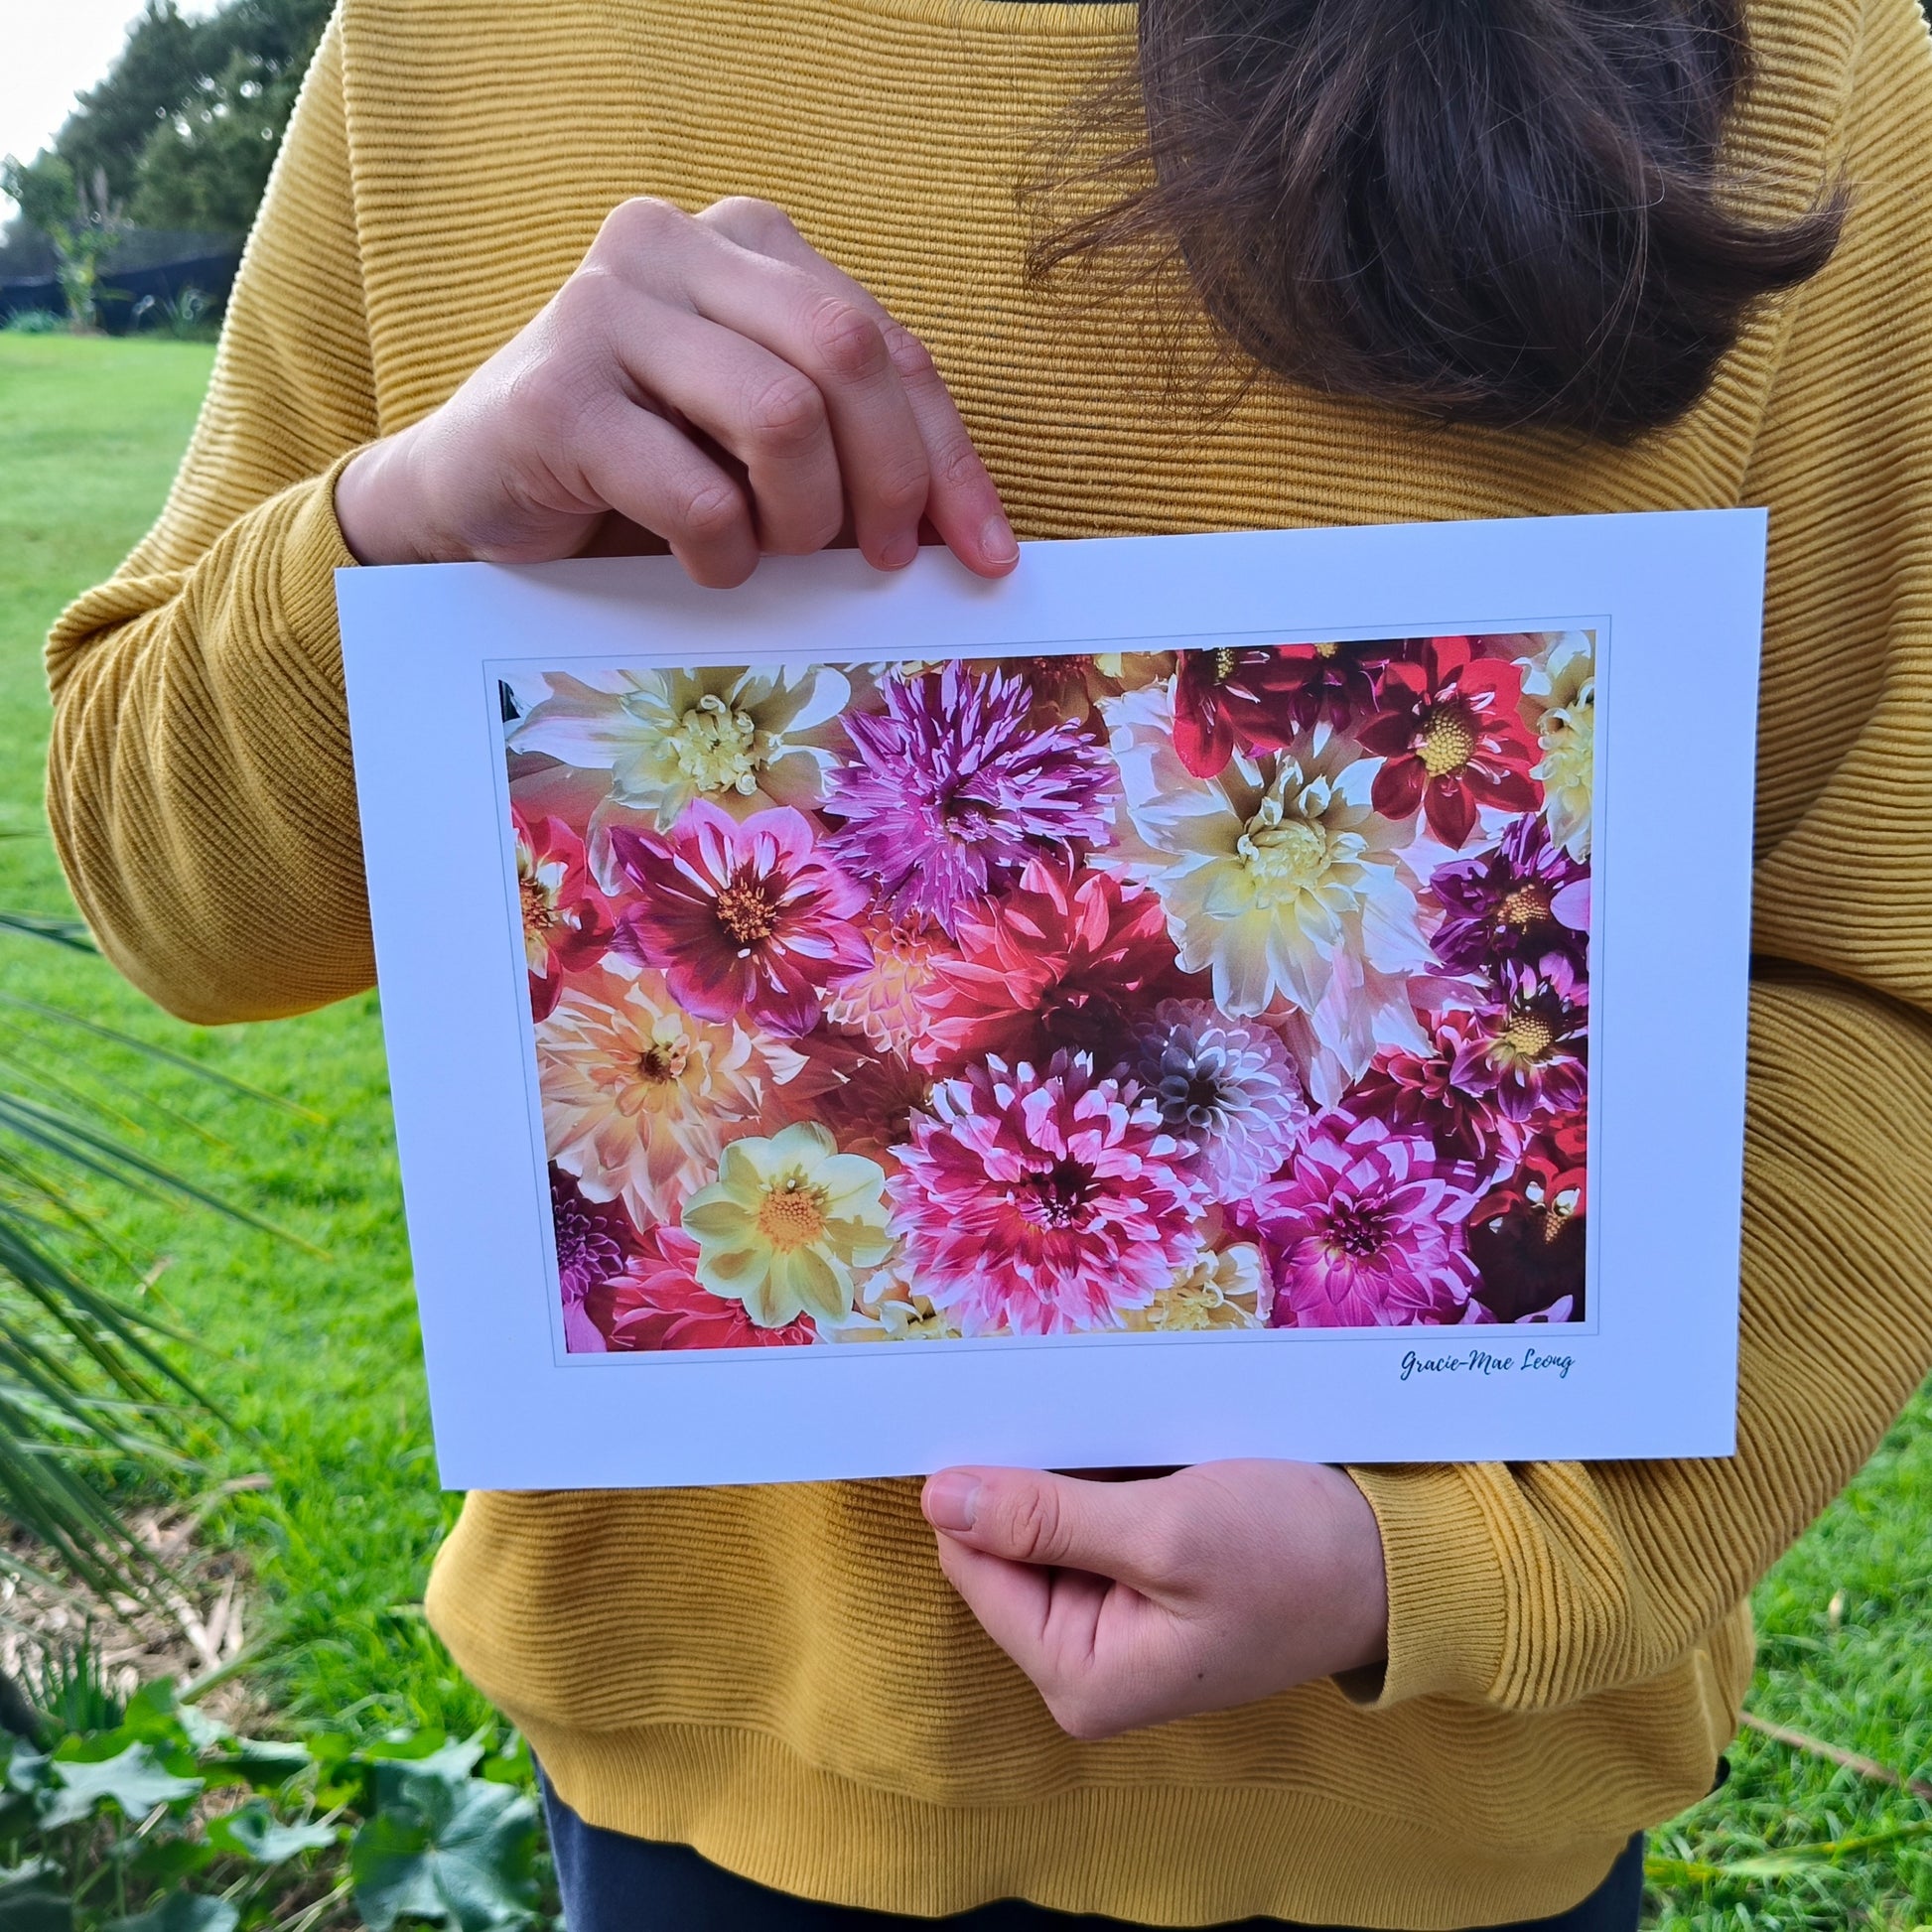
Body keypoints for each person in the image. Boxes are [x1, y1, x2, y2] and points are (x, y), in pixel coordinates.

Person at [42, 0, 1932, 1926]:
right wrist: (401, 533)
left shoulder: (1804, 58)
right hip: (715, 1799)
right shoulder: (464, 42)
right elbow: (175, 902)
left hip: (1426, 1816)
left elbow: (1881, 984)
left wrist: (1444, 1553)